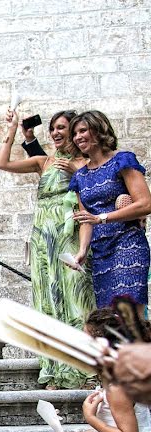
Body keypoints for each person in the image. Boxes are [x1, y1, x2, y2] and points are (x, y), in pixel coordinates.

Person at [0, 109, 96, 389]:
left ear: (74, 131)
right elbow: (2, 163)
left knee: (77, 298)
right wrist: (13, 129)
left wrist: (78, 171)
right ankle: (53, 369)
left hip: (70, 233)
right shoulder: (44, 161)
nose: (55, 132)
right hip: (43, 236)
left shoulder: (86, 163)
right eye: (53, 128)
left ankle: (85, 369)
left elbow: (92, 199)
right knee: (47, 300)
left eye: (62, 127)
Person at [70, 110, 151, 311]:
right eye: (75, 133)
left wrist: (103, 218)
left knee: (129, 315)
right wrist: (82, 251)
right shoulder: (80, 177)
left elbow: (146, 203)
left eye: (83, 130)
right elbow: (86, 219)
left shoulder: (122, 160)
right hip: (100, 252)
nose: (78, 137)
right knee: (108, 319)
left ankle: (139, 343)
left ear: (99, 130)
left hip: (128, 244)